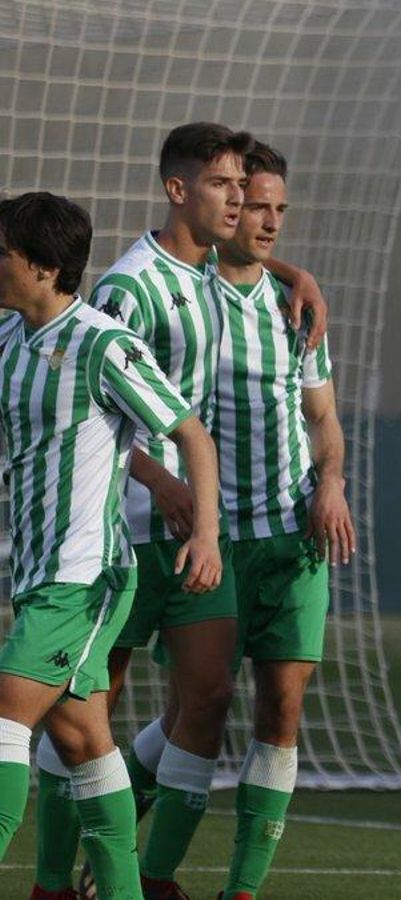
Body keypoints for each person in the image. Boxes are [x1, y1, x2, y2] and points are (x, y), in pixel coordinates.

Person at [0, 191, 221, 900]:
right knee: (84, 743)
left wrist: (208, 532)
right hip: (34, 570)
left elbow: (191, 432)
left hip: (84, 574)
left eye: (1, 251)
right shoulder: (8, 342)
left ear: (40, 265)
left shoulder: (104, 343)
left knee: (5, 712)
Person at [207, 141, 354, 900]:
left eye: (277, 209)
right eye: (253, 204)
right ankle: (123, 856)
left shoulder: (294, 307)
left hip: (295, 539)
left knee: (283, 707)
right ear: (223, 205)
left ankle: (242, 888)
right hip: (213, 543)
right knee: (191, 718)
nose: (266, 222)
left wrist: (331, 482)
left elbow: (323, 418)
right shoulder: (180, 294)